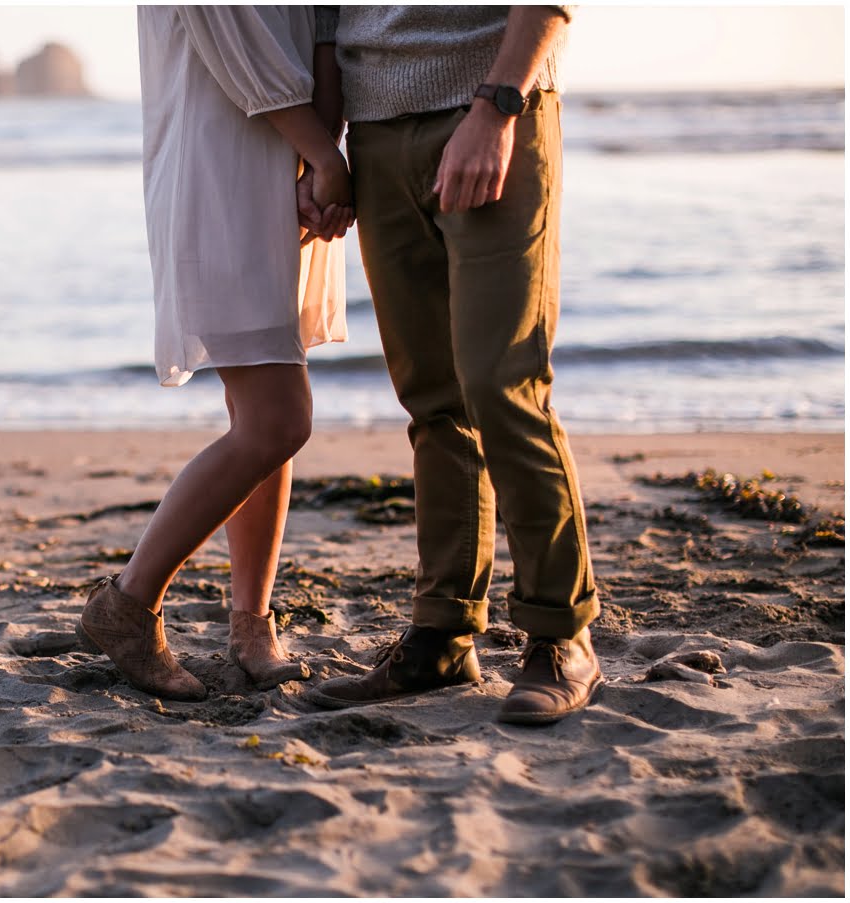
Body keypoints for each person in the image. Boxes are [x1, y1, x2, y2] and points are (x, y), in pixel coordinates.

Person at [303, 6, 604, 724]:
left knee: (504, 384)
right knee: (432, 400)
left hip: (491, 111)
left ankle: (563, 634)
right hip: (375, 135)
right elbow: (324, 19)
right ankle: (442, 632)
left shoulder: (497, 108)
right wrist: (323, 150)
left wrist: (498, 106)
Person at [75, 6, 353, 700]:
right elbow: (237, 37)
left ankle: (251, 622)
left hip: (288, 159)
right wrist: (321, 154)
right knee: (278, 420)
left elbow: (325, 22)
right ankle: (129, 603)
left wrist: (325, 150)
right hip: (223, 165)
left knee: (263, 415)